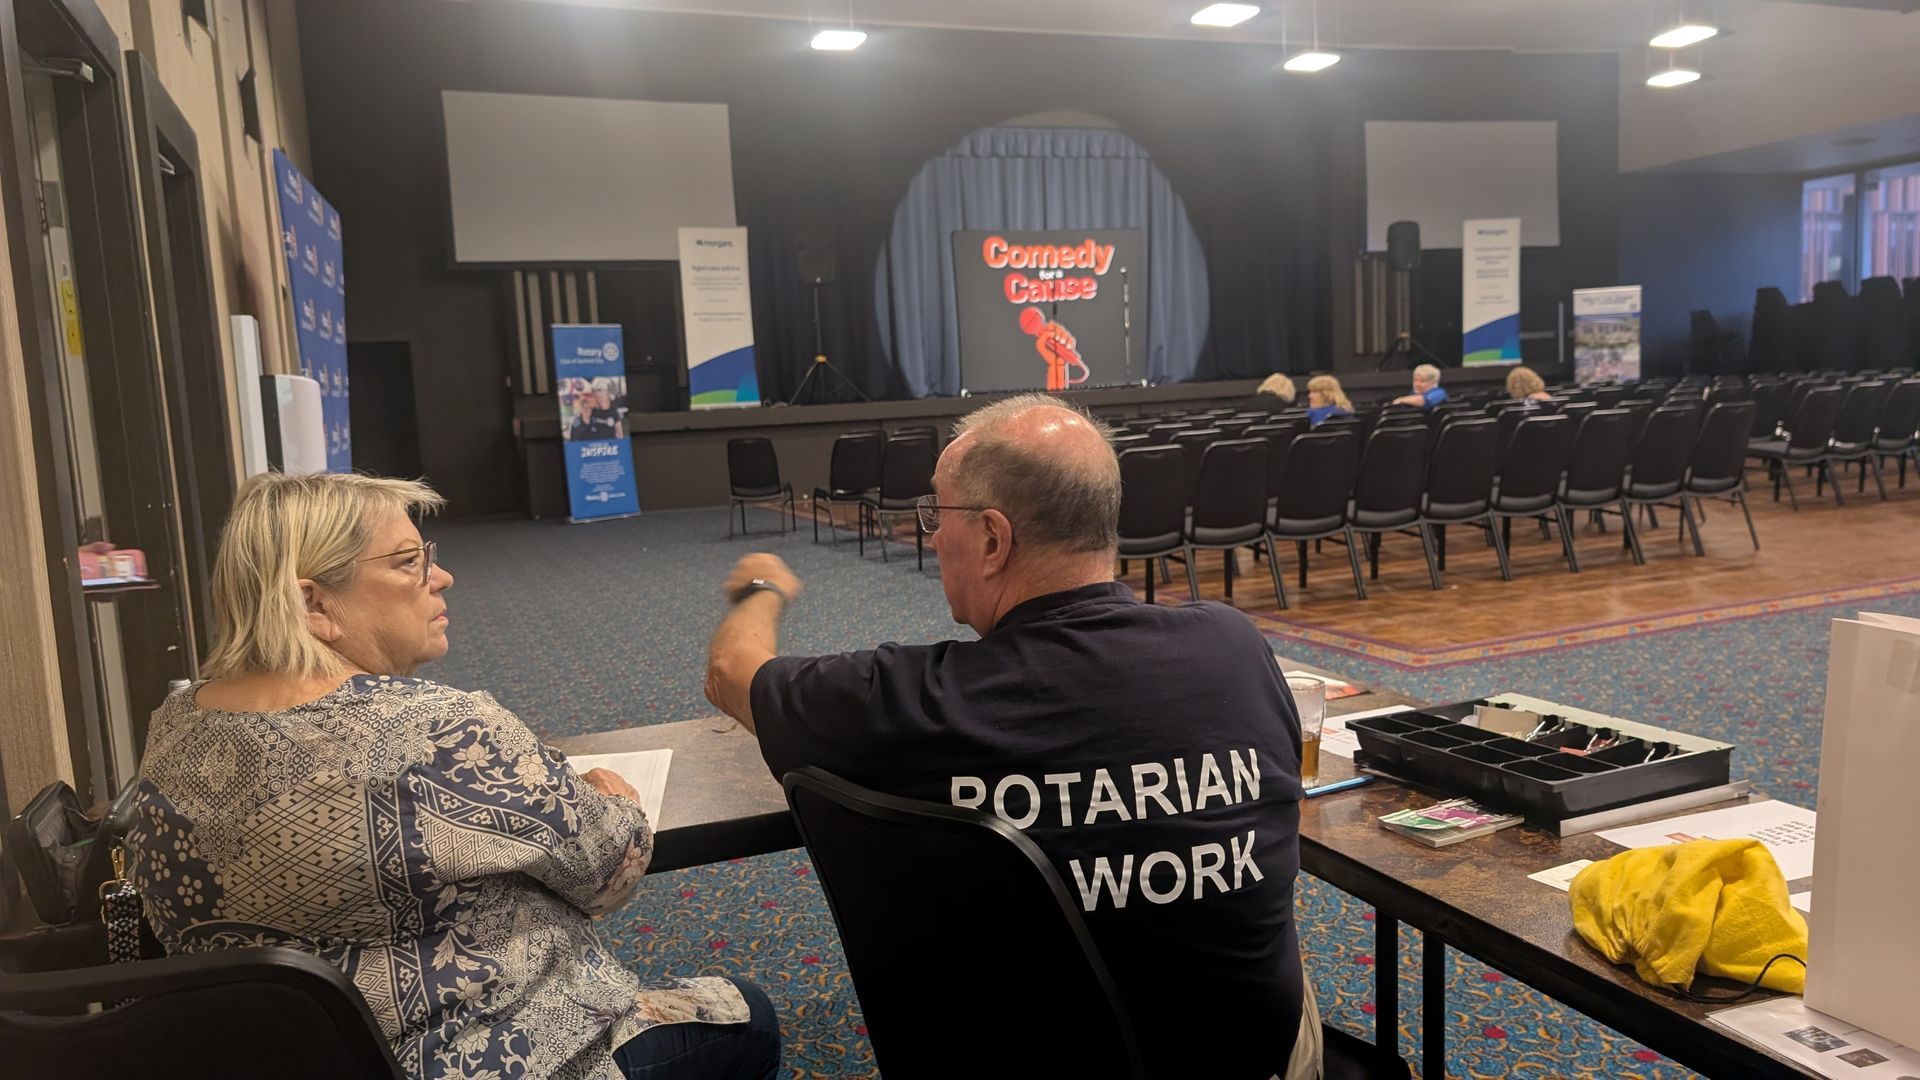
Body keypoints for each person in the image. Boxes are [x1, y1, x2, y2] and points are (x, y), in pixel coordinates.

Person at [705, 394, 1317, 1080]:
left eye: (938, 515)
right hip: (1249, 1063)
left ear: (994, 539)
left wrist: (761, 588)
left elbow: (732, 672)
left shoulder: (908, 703)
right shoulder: (1235, 648)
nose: (931, 536)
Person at [125, 473, 780, 1080]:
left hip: (274, 1057)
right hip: (483, 1058)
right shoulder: (441, 733)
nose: (443, 577)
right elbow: (609, 869)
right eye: (409, 563)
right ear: (313, 602)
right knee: (749, 1015)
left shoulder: (175, 729)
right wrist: (619, 803)